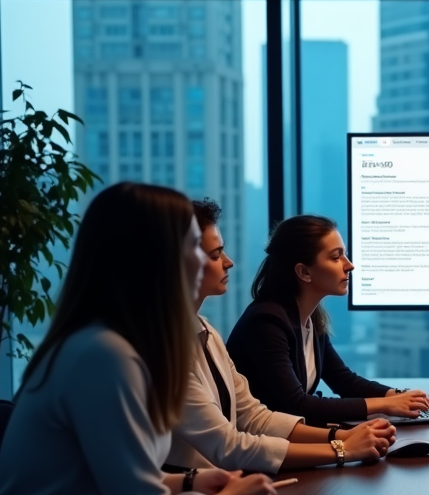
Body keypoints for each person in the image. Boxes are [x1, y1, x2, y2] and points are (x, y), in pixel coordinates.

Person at [0, 183, 277, 495]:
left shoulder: (113, 345)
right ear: (154, 260)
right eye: (192, 245)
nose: (205, 260)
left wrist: (190, 481)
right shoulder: (104, 355)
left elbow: (110, 477)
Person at [167, 200, 396, 474]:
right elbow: (228, 444)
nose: (229, 262)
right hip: (197, 485)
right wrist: (343, 448)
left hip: (224, 477)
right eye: (216, 255)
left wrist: (344, 437)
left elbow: (254, 417)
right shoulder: (164, 350)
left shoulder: (206, 331)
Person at [227, 215, 429, 427]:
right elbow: (296, 404)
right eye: (336, 257)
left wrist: (396, 395)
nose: (349, 265)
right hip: (260, 451)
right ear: (304, 272)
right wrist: (384, 405)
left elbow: (343, 380)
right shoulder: (265, 322)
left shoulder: (310, 317)